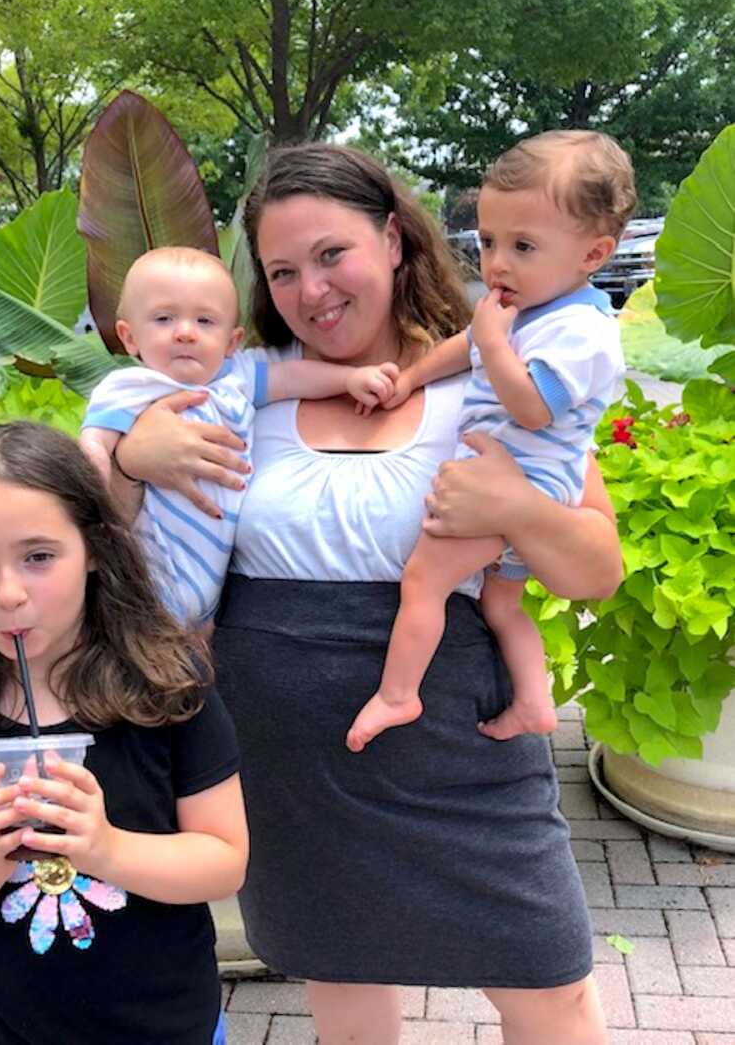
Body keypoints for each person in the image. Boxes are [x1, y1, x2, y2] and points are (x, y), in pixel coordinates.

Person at [111, 143, 622, 1045]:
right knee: (344, 988)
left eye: (331, 254)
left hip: (458, 748)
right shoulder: (233, 390)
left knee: (551, 988)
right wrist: (126, 458)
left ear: (391, 239)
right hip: (289, 762)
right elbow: (108, 547)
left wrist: (512, 506)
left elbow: (595, 572)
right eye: (282, 270)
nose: (310, 290)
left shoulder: (494, 372)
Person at [0, 422, 248, 1045]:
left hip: (170, 1024)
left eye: (38, 556)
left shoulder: (165, 686)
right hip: (8, 1028)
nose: (7, 593)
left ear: (96, 550)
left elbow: (223, 862)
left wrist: (103, 847)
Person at [346, 130, 632, 752]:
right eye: (489, 241)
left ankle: (399, 695)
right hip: (518, 484)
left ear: (594, 253)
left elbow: (532, 408)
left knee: (424, 581)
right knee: (502, 607)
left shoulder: (582, 331)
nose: (498, 262)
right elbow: (466, 345)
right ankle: (533, 702)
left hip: (524, 481)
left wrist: (495, 341)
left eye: (523, 245)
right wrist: (414, 377)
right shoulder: (529, 312)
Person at [79, 246, 398, 624]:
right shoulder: (131, 387)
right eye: (164, 319)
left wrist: (349, 379)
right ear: (129, 337)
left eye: (204, 321)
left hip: (211, 583)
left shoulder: (238, 377)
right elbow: (94, 443)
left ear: (232, 342)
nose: (184, 333)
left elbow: (292, 377)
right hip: (148, 568)